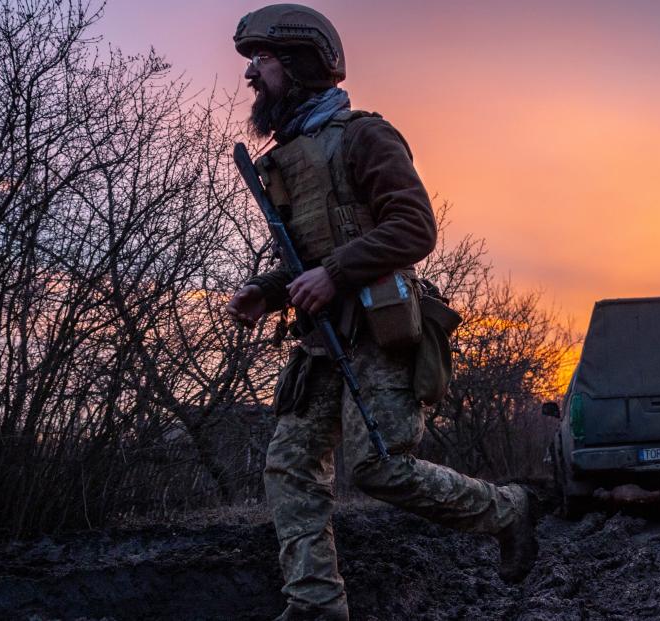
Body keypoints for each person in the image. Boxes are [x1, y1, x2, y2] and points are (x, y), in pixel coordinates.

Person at [223, 5, 537, 619]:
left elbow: (415, 227)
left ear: (299, 62)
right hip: (323, 342)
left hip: (381, 333)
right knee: (289, 463)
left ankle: (507, 510)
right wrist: (269, 291)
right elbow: (305, 259)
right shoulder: (288, 158)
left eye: (260, 60)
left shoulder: (365, 136)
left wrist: (334, 273)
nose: (251, 75)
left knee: (380, 469)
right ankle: (316, 604)